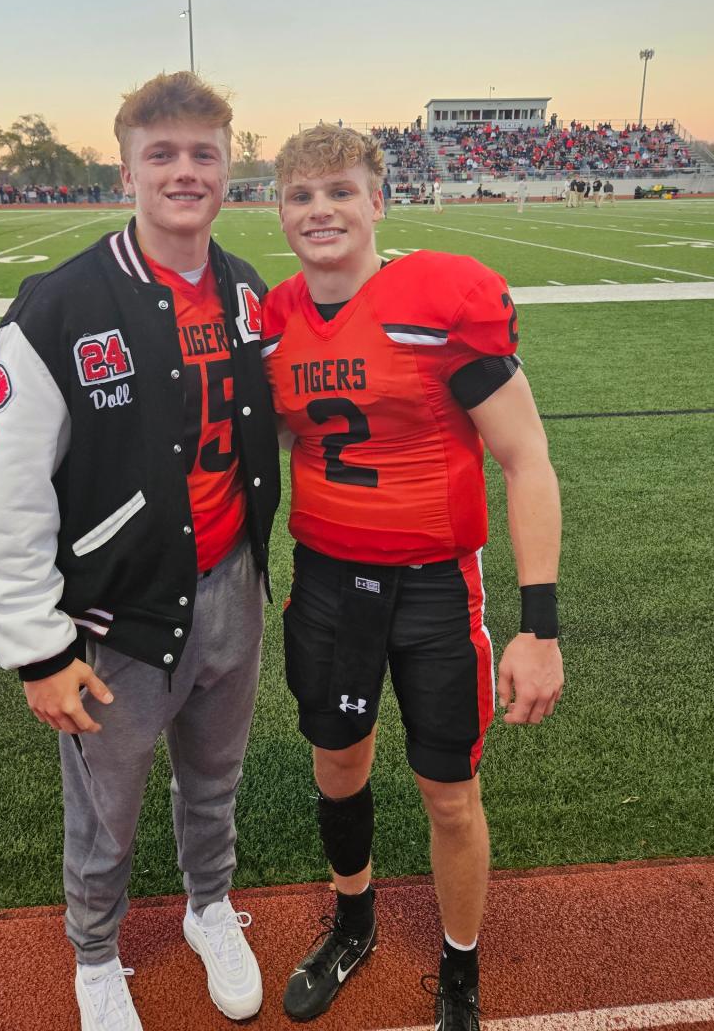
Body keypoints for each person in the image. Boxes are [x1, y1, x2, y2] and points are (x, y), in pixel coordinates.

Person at [0, 71, 281, 1031]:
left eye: (204, 154)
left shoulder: (246, 292)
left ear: (229, 168)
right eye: (163, 154)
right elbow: (7, 498)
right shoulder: (59, 309)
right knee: (107, 810)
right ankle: (96, 954)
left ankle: (208, 907)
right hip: (120, 615)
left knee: (215, 782)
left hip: (231, 585)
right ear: (128, 167)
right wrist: (38, 649)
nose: (186, 172)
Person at [262, 125, 563, 1030]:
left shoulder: (437, 297)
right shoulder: (273, 317)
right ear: (279, 211)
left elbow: (527, 457)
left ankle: (460, 967)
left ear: (378, 202)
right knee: (338, 764)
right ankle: (353, 919)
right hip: (324, 579)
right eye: (301, 196)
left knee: (449, 792)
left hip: (434, 585)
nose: (321, 211)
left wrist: (538, 624)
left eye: (340, 192)